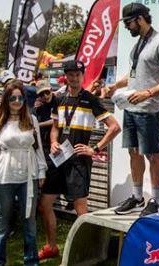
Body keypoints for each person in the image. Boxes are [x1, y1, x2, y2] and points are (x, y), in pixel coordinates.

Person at [38, 60, 121, 260]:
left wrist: (94, 149)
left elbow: (114, 127)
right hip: (58, 158)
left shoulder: (90, 99)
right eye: (70, 74)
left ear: (83, 76)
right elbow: (56, 127)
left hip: (78, 161)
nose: (74, 78)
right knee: (45, 204)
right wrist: (54, 141)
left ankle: (90, 253)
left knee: (80, 209)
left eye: (77, 74)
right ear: (65, 76)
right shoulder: (58, 99)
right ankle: (51, 247)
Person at [104, 2, 159, 216]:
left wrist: (148, 93)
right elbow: (136, 73)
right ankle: (137, 197)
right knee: (133, 152)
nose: (127, 27)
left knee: (152, 156)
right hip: (130, 108)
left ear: (139, 19)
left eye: (128, 22)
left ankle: (154, 200)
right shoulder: (138, 44)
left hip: (150, 110)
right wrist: (116, 85)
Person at [0, 81, 47, 266]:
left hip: (29, 175)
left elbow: (38, 148)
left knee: (29, 221)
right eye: (13, 98)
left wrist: (41, 172)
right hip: (5, 176)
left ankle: (31, 261)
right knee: (2, 221)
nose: (17, 101)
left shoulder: (31, 120)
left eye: (20, 98)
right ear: (6, 100)